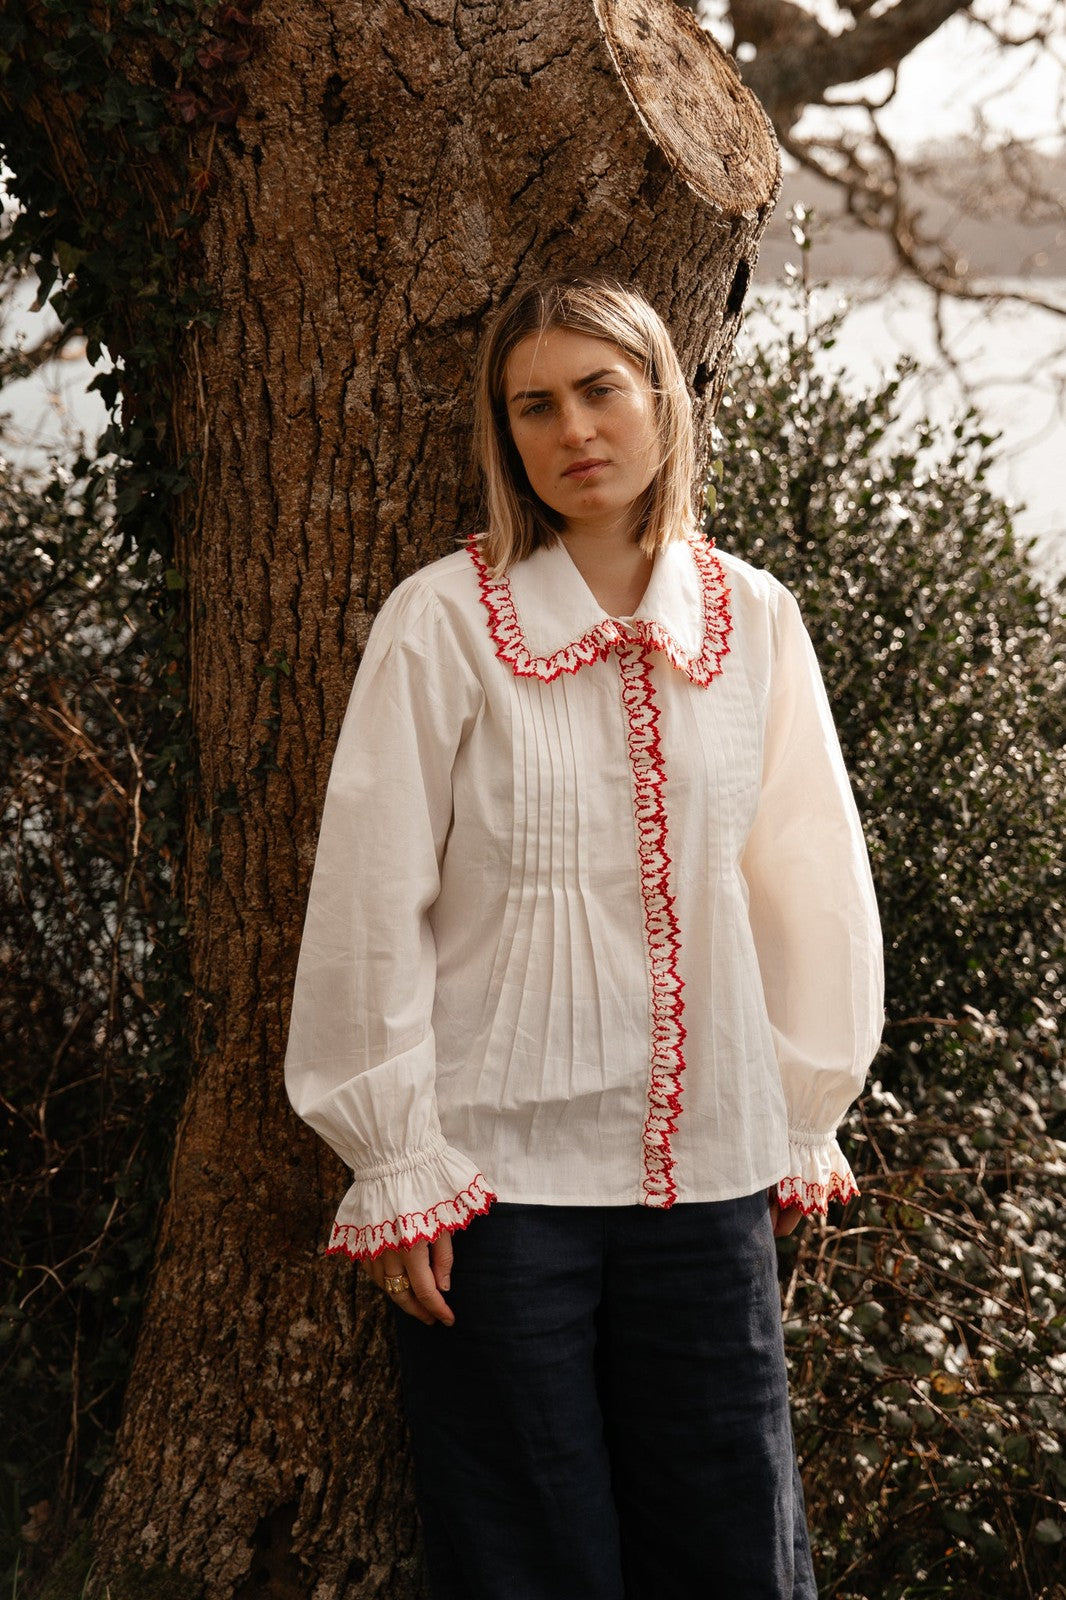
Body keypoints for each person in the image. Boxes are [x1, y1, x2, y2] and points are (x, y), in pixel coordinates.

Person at [284, 272, 884, 1599]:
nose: (572, 431)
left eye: (600, 390)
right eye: (534, 406)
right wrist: (396, 1160)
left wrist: (803, 1103)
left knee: (733, 1553)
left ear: (663, 401)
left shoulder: (753, 623)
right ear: (505, 438)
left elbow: (805, 877)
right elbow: (370, 902)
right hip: (496, 1197)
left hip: (708, 1180)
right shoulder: (441, 625)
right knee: (528, 1562)